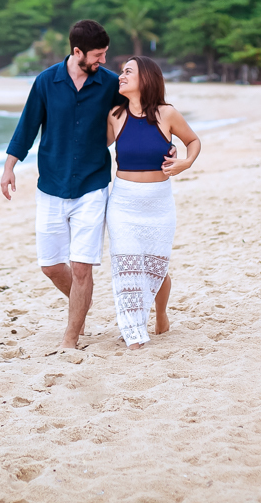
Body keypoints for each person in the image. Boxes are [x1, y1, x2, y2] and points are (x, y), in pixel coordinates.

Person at [1, 20, 127, 349]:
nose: (103, 60)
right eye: (97, 55)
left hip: (92, 184)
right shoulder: (46, 81)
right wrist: (9, 167)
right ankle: (81, 303)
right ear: (77, 51)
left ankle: (70, 339)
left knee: (82, 268)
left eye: (105, 54)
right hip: (51, 185)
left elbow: (139, 113)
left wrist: (163, 142)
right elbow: (27, 126)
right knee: (51, 266)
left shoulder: (110, 83)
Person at [106, 56, 200, 349]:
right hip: (123, 204)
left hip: (159, 204)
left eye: (128, 72)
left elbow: (193, 141)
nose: (121, 76)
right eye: (121, 72)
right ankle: (133, 332)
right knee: (127, 268)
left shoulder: (166, 114)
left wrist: (185, 163)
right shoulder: (115, 116)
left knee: (155, 267)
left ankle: (160, 314)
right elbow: (93, 147)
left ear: (145, 78)